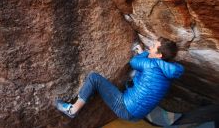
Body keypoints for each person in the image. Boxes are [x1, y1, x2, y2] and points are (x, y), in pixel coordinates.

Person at [55, 37, 184, 121]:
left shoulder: (151, 64)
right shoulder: (170, 72)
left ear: (159, 55)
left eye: (153, 46)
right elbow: (150, 69)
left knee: (94, 78)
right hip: (137, 116)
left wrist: (143, 53)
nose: (149, 47)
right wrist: (147, 56)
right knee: (130, 79)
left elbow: (134, 62)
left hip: (126, 108)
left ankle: (72, 110)